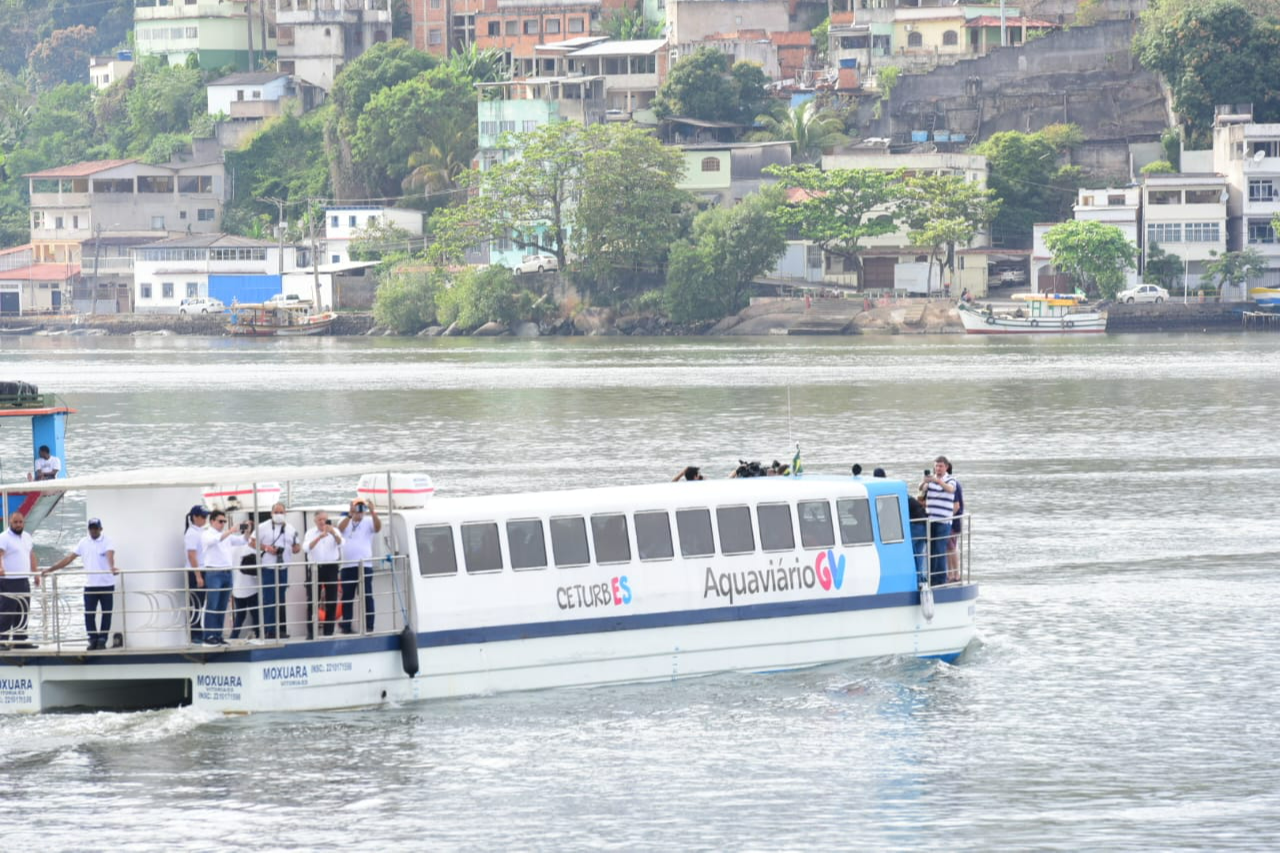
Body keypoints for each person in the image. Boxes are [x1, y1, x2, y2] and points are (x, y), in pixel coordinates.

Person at [43, 518, 118, 650]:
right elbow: (69, 558)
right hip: (90, 585)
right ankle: (93, 639)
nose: (93, 531)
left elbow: (110, 555)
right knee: (89, 614)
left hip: (106, 584)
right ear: (88, 529)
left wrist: (112, 567)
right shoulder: (83, 542)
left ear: (100, 529)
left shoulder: (107, 541)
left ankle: (102, 639)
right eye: (91, 528)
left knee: (106, 613)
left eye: (96, 528)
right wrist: (51, 569)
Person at [200, 510, 253, 646]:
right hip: (214, 572)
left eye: (224, 521)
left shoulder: (226, 535)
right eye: (220, 521)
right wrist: (231, 530)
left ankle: (217, 635)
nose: (222, 524)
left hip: (227, 572)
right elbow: (214, 540)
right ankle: (208, 635)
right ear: (212, 521)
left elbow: (242, 541)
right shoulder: (207, 534)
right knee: (212, 605)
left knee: (222, 606)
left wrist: (247, 531)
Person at [255, 502, 300, 640]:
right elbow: (252, 542)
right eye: (276, 512)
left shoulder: (290, 528)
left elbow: (297, 546)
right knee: (269, 600)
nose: (279, 515)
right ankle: (268, 630)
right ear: (271, 513)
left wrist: (295, 548)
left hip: (283, 568)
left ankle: (276, 629)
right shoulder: (262, 527)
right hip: (268, 568)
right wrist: (267, 548)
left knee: (279, 599)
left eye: (281, 512)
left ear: (285, 513)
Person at [338, 498, 381, 635]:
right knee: (347, 597)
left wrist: (373, 512)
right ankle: (346, 626)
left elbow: (378, 528)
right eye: (357, 507)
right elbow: (340, 529)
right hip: (347, 566)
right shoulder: (344, 520)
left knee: (367, 596)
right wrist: (350, 515)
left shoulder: (368, 521)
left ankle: (369, 626)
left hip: (365, 565)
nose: (360, 510)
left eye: (362, 507)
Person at [0, 512, 39, 648]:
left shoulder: (27, 537)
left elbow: (31, 555)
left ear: (24, 523)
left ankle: (20, 640)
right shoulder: (4, 537)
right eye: (15, 522)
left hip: (23, 579)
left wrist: (35, 573)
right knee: (8, 611)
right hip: (8, 580)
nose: (18, 525)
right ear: (10, 523)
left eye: (20, 522)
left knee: (23, 610)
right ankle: (2, 640)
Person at [304, 511, 343, 638]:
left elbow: (342, 543)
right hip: (315, 567)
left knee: (331, 600)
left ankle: (328, 632)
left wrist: (333, 533)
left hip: (331, 567)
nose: (322, 522)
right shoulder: (310, 533)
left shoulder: (335, 531)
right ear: (315, 521)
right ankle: (311, 632)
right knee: (312, 600)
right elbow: (306, 548)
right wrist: (319, 537)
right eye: (320, 519)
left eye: (325, 519)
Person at [921, 456, 958, 587]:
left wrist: (937, 481)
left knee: (939, 549)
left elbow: (951, 489)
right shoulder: (932, 480)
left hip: (943, 521)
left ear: (946, 467)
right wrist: (924, 482)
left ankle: (941, 579)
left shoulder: (951, 479)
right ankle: (932, 578)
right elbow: (921, 489)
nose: (938, 468)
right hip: (931, 520)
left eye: (941, 466)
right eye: (936, 466)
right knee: (931, 550)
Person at [183, 505, 210, 644]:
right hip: (195, 572)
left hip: (203, 569)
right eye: (203, 517)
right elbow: (191, 555)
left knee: (201, 602)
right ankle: (195, 634)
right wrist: (198, 575)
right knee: (196, 603)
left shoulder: (201, 531)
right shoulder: (192, 533)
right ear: (195, 517)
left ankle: (199, 631)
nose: (205, 519)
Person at [946, 460, 965, 582]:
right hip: (953, 520)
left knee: (951, 547)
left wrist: (946, 517)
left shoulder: (953, 484)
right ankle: (951, 574)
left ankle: (955, 574)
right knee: (949, 548)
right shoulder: (952, 483)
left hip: (953, 521)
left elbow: (956, 506)